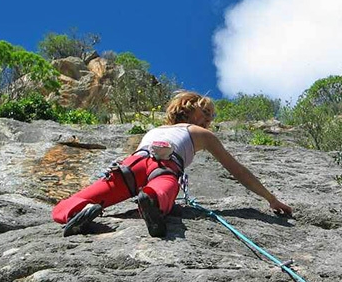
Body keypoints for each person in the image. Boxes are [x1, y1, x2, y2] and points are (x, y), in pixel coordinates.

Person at [51, 91, 292, 237]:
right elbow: (237, 170)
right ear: (188, 110)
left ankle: (73, 212)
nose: (210, 119)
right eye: (206, 112)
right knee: (165, 187)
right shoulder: (199, 133)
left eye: (211, 115)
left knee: (79, 198)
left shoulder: (155, 129)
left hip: (131, 166)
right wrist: (270, 198)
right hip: (165, 165)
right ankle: (152, 202)